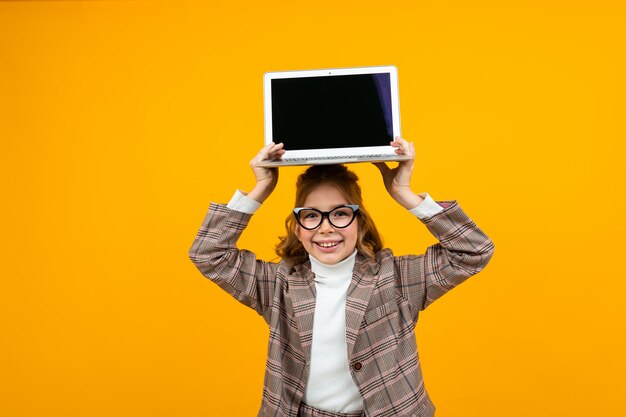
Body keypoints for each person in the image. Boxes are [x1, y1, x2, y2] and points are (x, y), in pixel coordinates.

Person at [189, 137, 495, 417]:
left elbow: (473, 251)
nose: (325, 228)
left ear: (360, 222)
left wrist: (404, 194)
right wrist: (260, 190)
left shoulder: (396, 278)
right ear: (297, 227)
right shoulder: (278, 284)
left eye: (339, 213)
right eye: (311, 215)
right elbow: (208, 254)